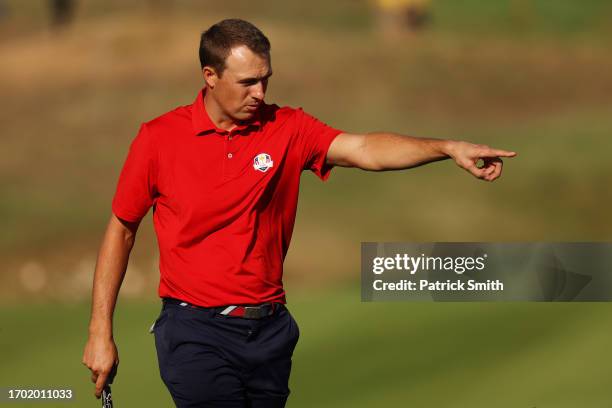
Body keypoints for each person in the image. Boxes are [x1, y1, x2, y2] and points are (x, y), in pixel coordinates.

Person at [82, 18, 516, 408]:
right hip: (196, 331)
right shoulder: (159, 138)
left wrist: (446, 148)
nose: (261, 93)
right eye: (248, 82)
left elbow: (364, 149)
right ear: (210, 77)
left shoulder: (287, 127)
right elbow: (121, 230)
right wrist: (100, 331)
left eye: (266, 79)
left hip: (270, 333)